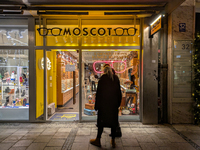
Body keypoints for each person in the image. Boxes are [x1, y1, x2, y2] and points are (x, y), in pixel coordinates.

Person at [90, 64, 122, 148]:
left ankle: (98, 140)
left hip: (103, 106)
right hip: (113, 105)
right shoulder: (116, 78)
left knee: (101, 122)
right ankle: (113, 141)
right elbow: (119, 93)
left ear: (104, 71)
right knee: (113, 123)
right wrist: (118, 104)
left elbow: (99, 94)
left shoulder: (102, 79)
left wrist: (97, 106)